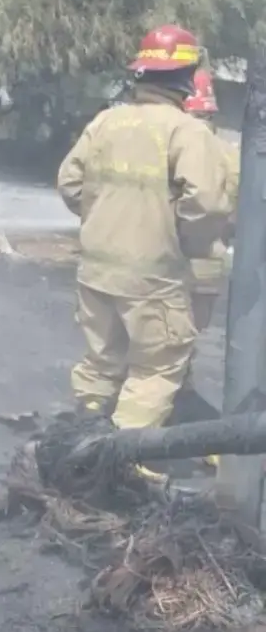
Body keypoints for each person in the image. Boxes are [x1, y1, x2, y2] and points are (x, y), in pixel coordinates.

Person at [57, 24, 229, 478]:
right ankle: (116, 462)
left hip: (95, 273)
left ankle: (81, 436)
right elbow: (208, 204)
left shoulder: (105, 121)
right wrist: (183, 240)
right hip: (153, 275)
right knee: (157, 369)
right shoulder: (188, 133)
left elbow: (70, 184)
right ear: (189, 75)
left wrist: (107, 221)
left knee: (102, 361)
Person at [175, 68, 241, 455]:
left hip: (175, 262)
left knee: (166, 341)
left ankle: (172, 408)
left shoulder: (175, 144)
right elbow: (235, 213)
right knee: (186, 337)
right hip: (207, 264)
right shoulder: (227, 154)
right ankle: (179, 396)